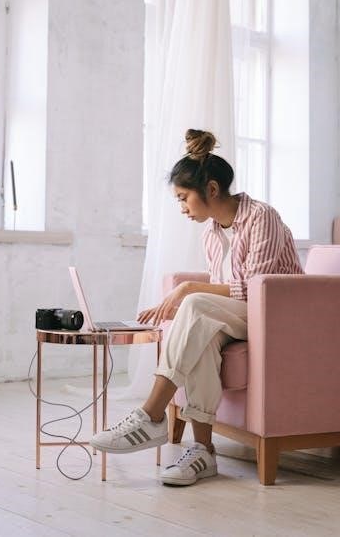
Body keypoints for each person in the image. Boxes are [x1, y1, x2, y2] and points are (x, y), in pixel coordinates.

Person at [90, 129, 303, 486]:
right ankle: (203, 452)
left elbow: (255, 290)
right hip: (243, 316)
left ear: (212, 190)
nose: (182, 207)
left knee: (195, 304)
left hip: (279, 315)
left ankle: (151, 415)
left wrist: (189, 290)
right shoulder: (211, 234)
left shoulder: (262, 217)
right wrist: (188, 306)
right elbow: (228, 294)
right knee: (201, 333)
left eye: (183, 197)